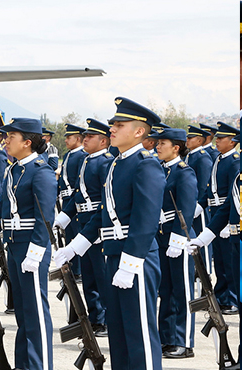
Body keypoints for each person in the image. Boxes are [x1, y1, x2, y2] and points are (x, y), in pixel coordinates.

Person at [54, 97, 166, 370]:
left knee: (139, 334)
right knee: (119, 335)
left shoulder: (145, 164)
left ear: (139, 131)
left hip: (135, 260)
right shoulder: (117, 163)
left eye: (119, 124)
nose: (112, 129)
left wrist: (130, 263)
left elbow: (146, 219)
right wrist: (76, 245)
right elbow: (102, 213)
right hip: (113, 254)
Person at [0, 117, 56, 370]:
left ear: (28, 142)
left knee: (36, 311)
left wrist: (37, 251)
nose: (5, 141)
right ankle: (24, 364)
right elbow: (0, 211)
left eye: (11, 137)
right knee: (23, 311)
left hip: (31, 246)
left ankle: (40, 365)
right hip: (14, 245)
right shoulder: (13, 169)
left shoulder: (41, 171)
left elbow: (44, 216)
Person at [54, 119, 113, 338]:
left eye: (90, 137)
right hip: (84, 223)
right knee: (89, 276)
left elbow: (107, 201)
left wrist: (99, 229)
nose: (85, 139)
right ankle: (95, 317)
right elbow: (78, 195)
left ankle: (106, 318)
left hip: (98, 227)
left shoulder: (106, 162)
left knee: (101, 275)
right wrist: (63, 218)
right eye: (85, 136)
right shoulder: (88, 161)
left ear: (103, 141)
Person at [149, 128, 198, 359]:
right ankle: (167, 338)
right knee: (165, 290)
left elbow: (186, 209)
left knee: (182, 290)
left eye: (162, 143)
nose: (157, 147)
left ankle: (184, 341)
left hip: (179, 237)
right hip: (161, 236)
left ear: (176, 148)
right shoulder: (160, 170)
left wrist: (178, 239)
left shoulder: (183, 172)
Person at [197, 122, 240, 314]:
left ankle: (231, 299)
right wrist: (201, 205)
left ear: (232, 142)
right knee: (221, 262)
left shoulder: (234, 161)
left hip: (230, 218)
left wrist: (230, 222)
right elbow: (210, 188)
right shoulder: (220, 159)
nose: (217, 141)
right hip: (218, 213)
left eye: (221, 138)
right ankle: (222, 297)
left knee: (230, 264)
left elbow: (233, 195)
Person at [57, 123, 87, 281]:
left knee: (76, 235)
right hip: (66, 198)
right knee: (69, 234)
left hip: (74, 200)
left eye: (69, 137)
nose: (66, 140)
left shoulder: (82, 155)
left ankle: (77, 270)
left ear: (78, 138)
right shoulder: (70, 155)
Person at [184, 125, 214, 275]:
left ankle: (206, 272)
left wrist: (199, 205)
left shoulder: (202, 157)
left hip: (199, 207)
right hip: (190, 206)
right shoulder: (190, 156)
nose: (187, 140)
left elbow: (204, 185)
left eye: (190, 138)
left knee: (203, 238)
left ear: (200, 140)